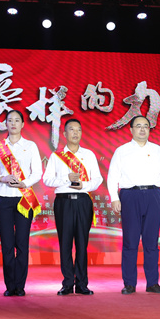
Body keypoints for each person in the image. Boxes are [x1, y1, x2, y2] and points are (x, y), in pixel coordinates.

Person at [108, 115, 160, 294]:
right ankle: (129, 283)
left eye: (146, 126)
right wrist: (114, 197)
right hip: (130, 195)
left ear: (149, 129)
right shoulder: (121, 151)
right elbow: (113, 175)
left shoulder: (158, 150)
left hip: (153, 195)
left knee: (151, 241)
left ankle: (152, 283)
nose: (142, 129)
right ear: (131, 130)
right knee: (130, 241)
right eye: (138, 126)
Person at [43, 118, 103, 296]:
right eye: (72, 129)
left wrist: (83, 185)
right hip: (64, 202)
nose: (76, 133)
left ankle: (82, 284)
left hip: (83, 201)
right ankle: (67, 283)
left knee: (82, 243)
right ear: (64, 134)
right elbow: (47, 180)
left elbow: (97, 179)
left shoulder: (89, 155)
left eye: (79, 130)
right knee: (65, 243)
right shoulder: (56, 156)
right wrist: (66, 179)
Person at [0, 110, 42, 297]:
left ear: (22, 124)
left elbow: (37, 172)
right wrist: (2, 178)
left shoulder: (30, 145)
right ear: (5, 124)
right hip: (3, 197)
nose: (13, 123)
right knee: (7, 244)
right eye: (10, 120)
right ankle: (10, 285)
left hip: (24, 197)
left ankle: (20, 285)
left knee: (22, 243)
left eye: (17, 120)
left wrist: (24, 183)